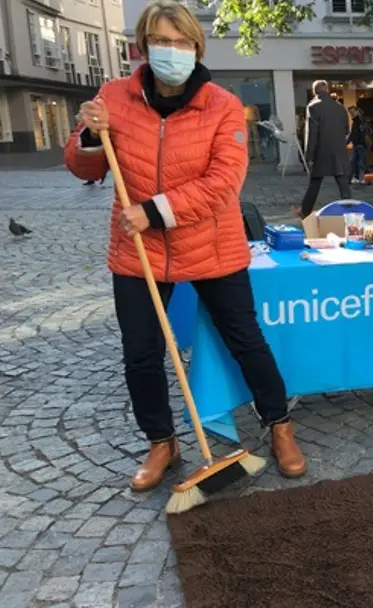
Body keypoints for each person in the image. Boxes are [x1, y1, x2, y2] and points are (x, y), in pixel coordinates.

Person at [63, 0, 307, 492]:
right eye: (160, 41)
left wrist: (153, 211)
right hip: (138, 254)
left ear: (196, 47)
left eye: (180, 42)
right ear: (143, 47)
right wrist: (90, 133)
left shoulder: (220, 105)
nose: (170, 51)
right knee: (141, 353)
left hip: (211, 244)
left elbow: (223, 183)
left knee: (246, 340)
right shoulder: (114, 96)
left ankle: (280, 425)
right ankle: (162, 442)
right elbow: (84, 167)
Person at [297, 80, 352, 218]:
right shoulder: (339, 107)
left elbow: (312, 134)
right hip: (339, 149)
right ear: (327, 90)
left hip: (321, 150)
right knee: (342, 182)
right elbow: (346, 129)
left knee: (315, 181)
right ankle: (350, 211)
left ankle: (305, 211)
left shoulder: (313, 107)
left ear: (314, 91)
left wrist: (309, 156)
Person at [347, 106, 368, 184]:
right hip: (358, 143)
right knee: (356, 162)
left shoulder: (359, 121)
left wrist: (349, 141)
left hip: (360, 143)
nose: (351, 114)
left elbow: (356, 133)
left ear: (356, 111)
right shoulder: (358, 121)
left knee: (360, 162)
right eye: (350, 112)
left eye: (352, 112)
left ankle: (363, 178)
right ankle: (359, 177)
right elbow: (353, 133)